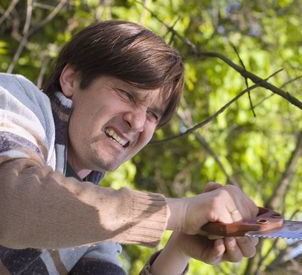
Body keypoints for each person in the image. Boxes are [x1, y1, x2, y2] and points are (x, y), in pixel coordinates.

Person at [0, 20, 258, 274]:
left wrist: (178, 249)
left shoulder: (93, 226)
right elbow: (11, 203)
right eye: (126, 94)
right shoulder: (13, 99)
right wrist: (178, 212)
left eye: (152, 115)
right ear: (71, 79)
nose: (136, 122)